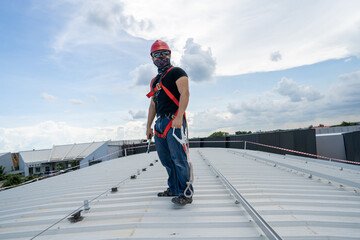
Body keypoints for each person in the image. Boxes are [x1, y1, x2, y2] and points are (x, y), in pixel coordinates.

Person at [146, 40, 193, 205]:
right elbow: (153, 104)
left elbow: (184, 93)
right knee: (166, 159)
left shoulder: (177, 72)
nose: (161, 57)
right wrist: (148, 127)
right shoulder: (155, 81)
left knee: (179, 158)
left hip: (173, 120)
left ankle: (185, 193)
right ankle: (173, 188)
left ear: (170, 54)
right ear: (152, 58)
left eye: (164, 53)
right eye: (157, 54)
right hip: (160, 123)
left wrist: (180, 116)